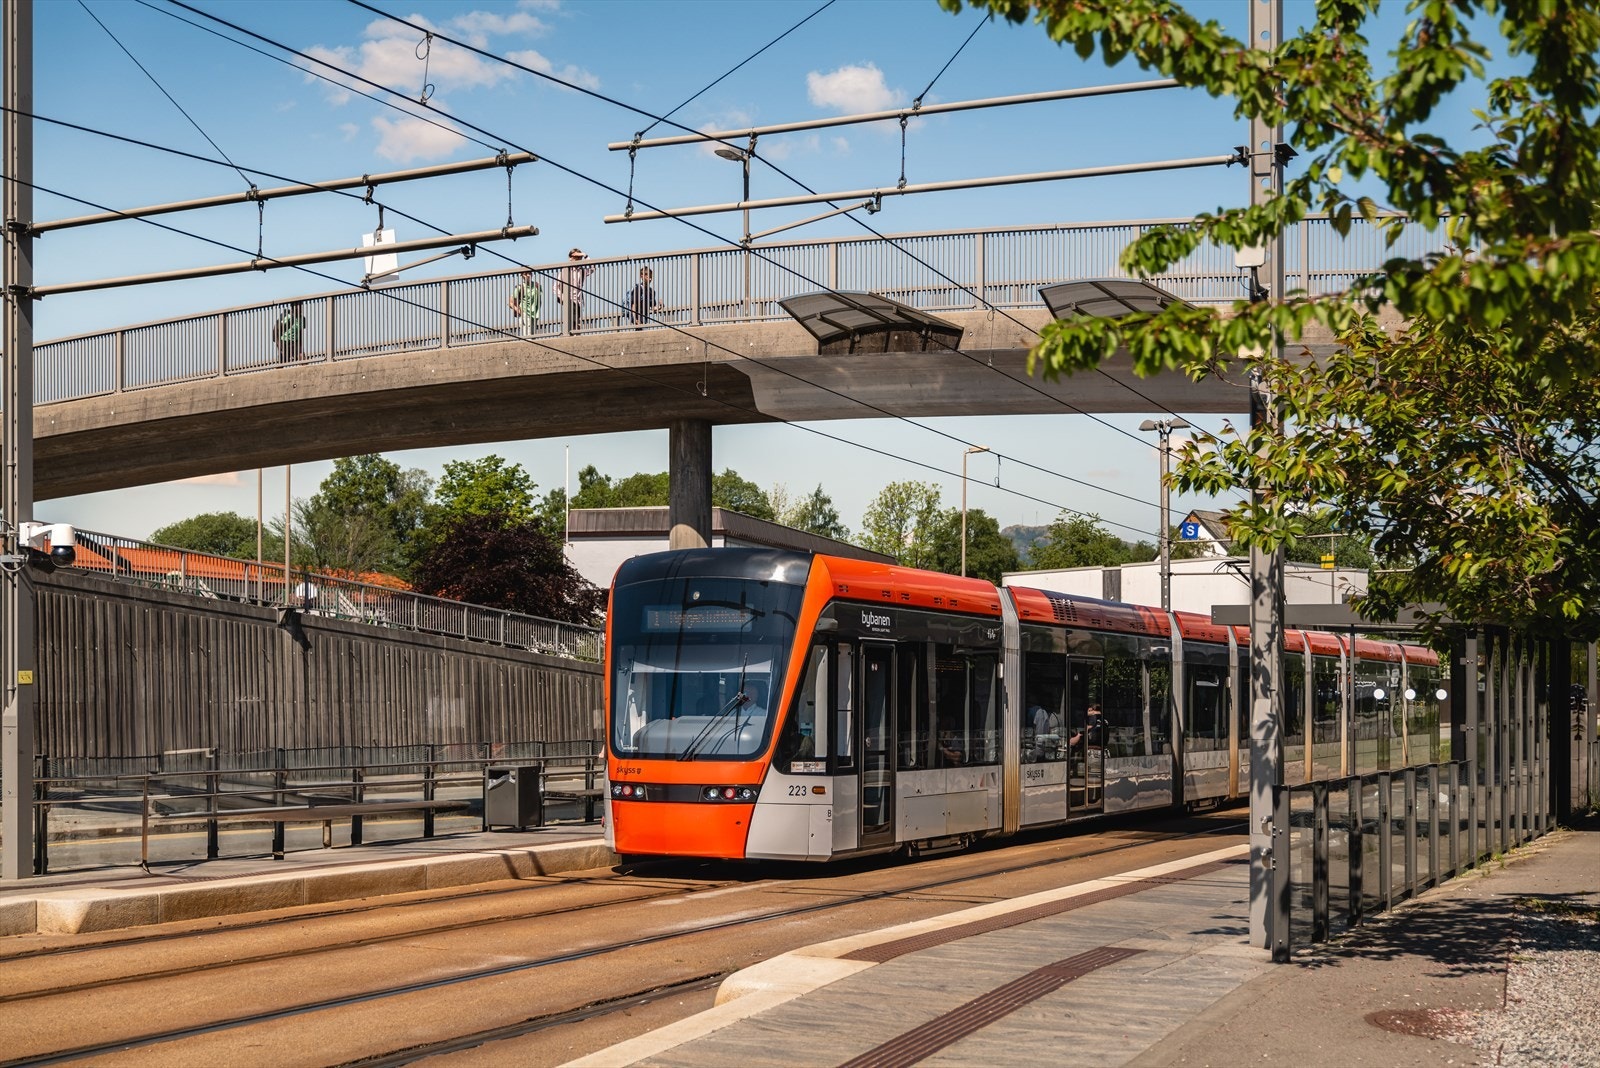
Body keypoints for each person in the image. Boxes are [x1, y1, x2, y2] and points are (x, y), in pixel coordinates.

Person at [556, 248, 594, 333]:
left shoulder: (582, 271)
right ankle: (571, 334)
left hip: (579, 300)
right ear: (570, 258)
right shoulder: (565, 270)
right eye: (575, 257)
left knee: (577, 320)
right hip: (568, 299)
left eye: (579, 258)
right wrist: (562, 297)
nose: (577, 260)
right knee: (573, 320)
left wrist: (585, 255)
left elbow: (593, 268)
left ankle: (575, 335)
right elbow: (556, 286)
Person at [507, 269, 542, 335]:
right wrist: (519, 310)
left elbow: (539, 300)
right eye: (525, 274)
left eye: (529, 273)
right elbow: (510, 302)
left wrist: (537, 308)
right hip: (524, 312)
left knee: (533, 334)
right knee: (527, 335)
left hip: (534, 314)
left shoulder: (537, 286)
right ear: (522, 275)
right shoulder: (520, 287)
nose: (528, 275)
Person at [1028, 693, 1061, 760]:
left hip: (1038, 752)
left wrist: (1039, 753)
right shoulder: (1038, 712)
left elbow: (1040, 735)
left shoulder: (1039, 712)